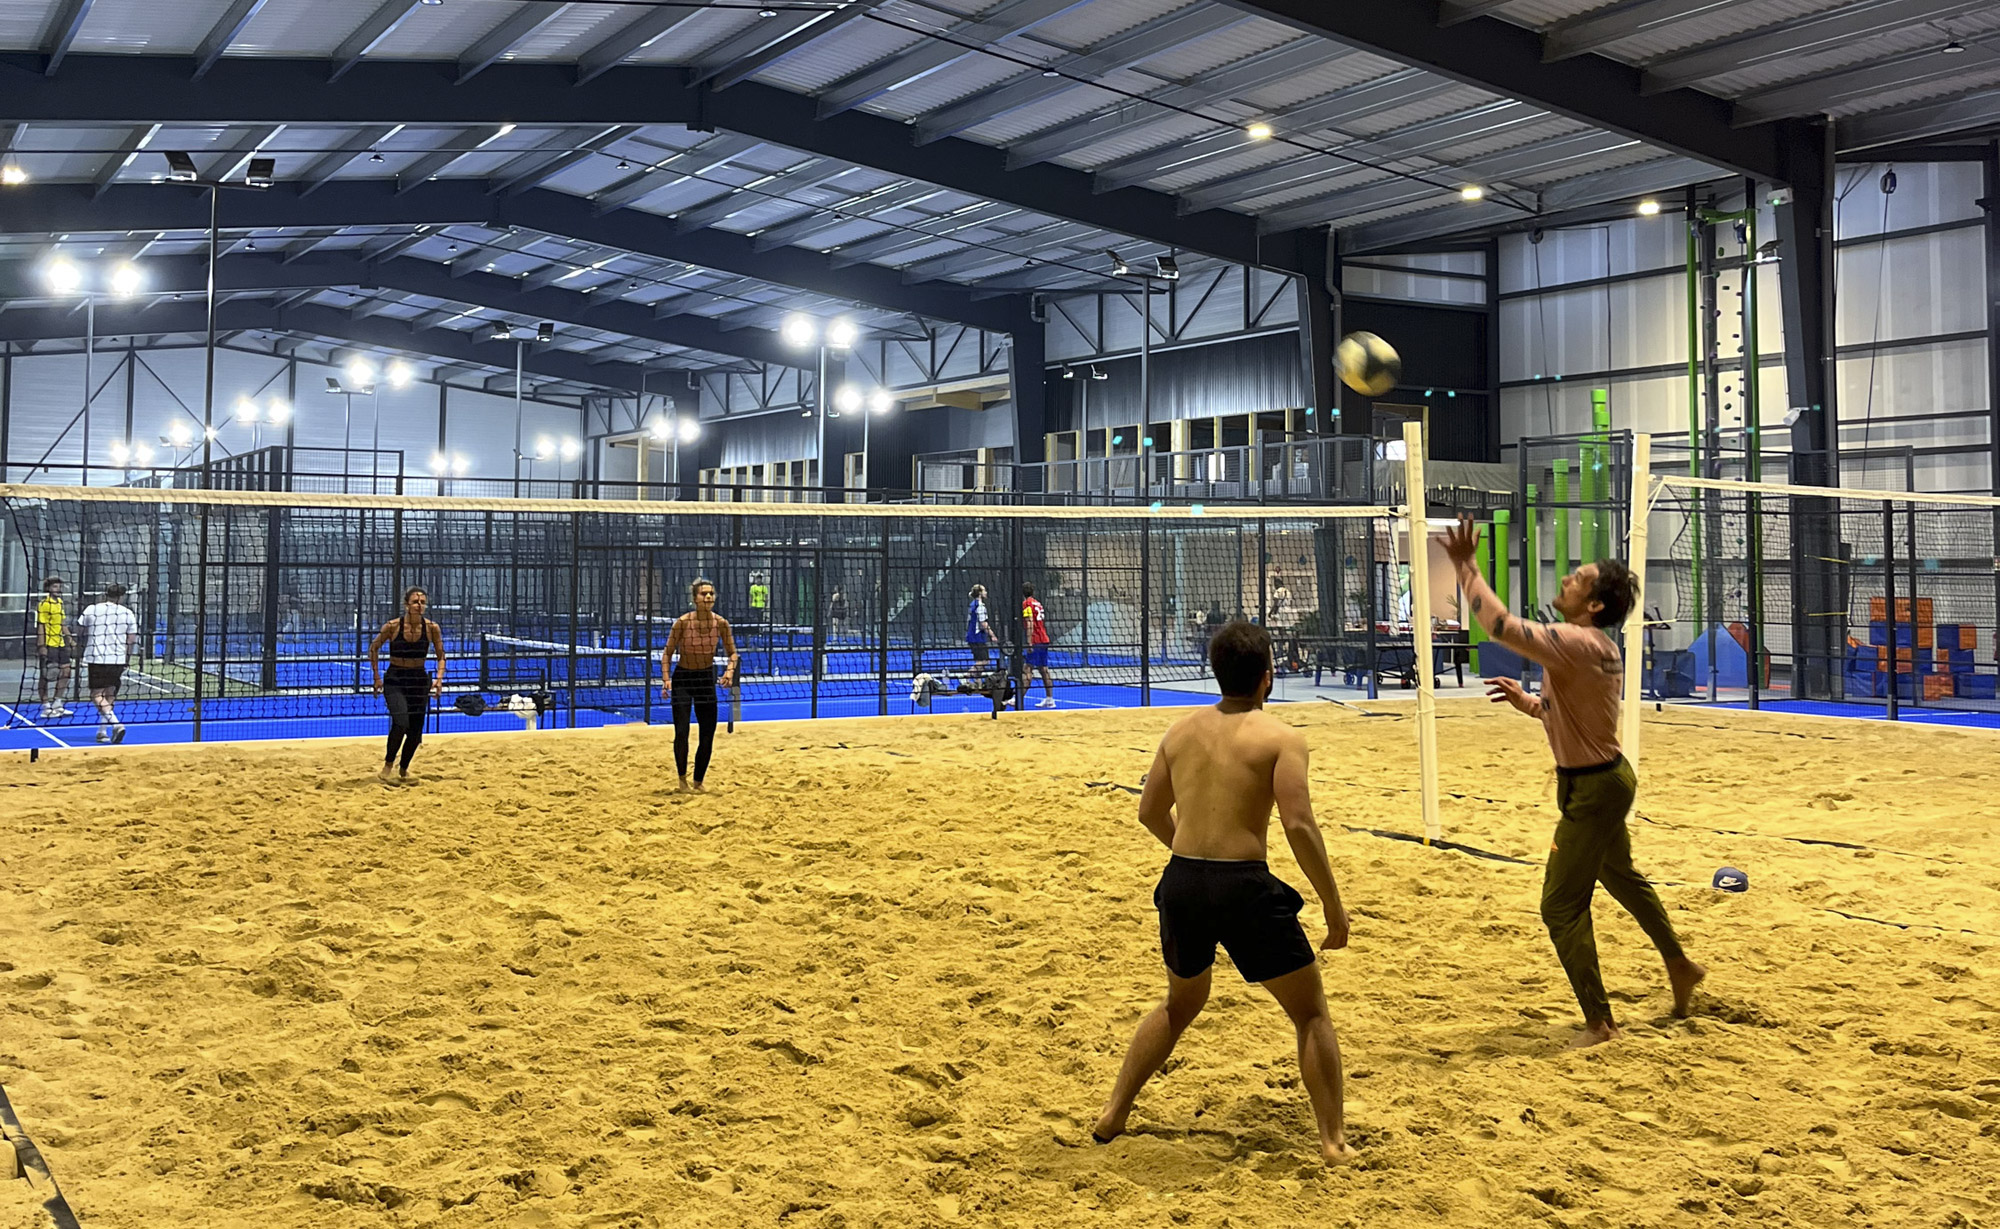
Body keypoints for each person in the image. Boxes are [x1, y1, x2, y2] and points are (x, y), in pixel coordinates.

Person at [1094, 619, 1355, 1166]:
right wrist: (1332, 903)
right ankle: (1332, 1142)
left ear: (1216, 672)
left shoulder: (1180, 731)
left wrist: (1191, 853)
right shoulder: (1281, 738)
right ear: (1267, 676)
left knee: (1179, 1004)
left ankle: (1113, 1113)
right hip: (1244, 886)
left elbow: (1149, 812)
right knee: (1310, 1014)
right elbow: (1299, 824)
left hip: (1183, 882)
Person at [1442, 516, 1705, 1047]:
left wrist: (1466, 565)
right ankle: (1679, 964)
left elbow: (1499, 626)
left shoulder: (1577, 642)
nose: (1565, 579)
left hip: (1593, 790)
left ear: (1595, 605)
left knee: (1560, 906)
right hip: (1605, 778)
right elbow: (1573, 715)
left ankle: (1600, 1024)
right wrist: (1529, 703)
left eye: (1578, 579)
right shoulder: (1593, 647)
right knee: (1621, 875)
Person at [662, 578, 740, 792]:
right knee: (682, 731)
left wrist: (729, 672)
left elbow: (733, 654)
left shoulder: (721, 623)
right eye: (703, 594)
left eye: (711, 594)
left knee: (708, 732)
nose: (708, 597)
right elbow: (667, 654)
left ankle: (698, 781)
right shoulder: (682, 622)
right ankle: (682, 780)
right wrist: (666, 679)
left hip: (705, 679)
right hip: (683, 680)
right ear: (694, 598)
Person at [368, 586, 446, 785]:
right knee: (401, 721)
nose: (419, 606)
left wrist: (439, 679)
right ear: (406, 605)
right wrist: (376, 677)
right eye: (415, 602)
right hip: (396, 678)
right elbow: (374, 648)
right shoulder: (393, 626)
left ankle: (403, 769)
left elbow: (441, 656)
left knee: (416, 730)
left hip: (418, 679)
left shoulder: (432, 628)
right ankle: (387, 767)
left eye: (422, 602)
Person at [77, 583, 139, 744]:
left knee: (96, 695)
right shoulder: (128, 613)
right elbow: (131, 640)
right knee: (110, 694)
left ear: (106, 594)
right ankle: (102, 731)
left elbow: (80, 630)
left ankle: (116, 724)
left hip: (97, 658)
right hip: (117, 659)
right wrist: (127, 658)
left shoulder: (92, 609)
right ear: (121, 596)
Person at [35, 576, 74, 720]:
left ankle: (57, 704)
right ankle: (46, 707)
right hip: (49, 644)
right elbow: (41, 626)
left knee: (66, 672)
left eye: (59, 586)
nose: (58, 589)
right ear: (48, 588)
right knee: (45, 676)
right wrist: (42, 646)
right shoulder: (44, 604)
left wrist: (70, 639)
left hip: (60, 644)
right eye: (55, 587)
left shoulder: (60, 603)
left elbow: (62, 623)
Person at [1020, 582, 1056, 708]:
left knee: (1027, 669)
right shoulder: (1037, 603)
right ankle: (1050, 699)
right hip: (1044, 639)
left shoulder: (1026, 604)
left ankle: (1018, 699)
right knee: (1043, 669)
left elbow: (1030, 622)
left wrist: (1029, 641)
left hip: (1036, 640)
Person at [965, 584, 994, 673]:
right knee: (985, 661)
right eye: (984, 590)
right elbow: (983, 624)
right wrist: (992, 635)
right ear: (980, 593)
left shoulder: (973, 604)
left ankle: (978, 680)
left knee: (979, 661)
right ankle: (967, 676)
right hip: (977, 637)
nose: (986, 592)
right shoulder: (980, 606)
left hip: (973, 636)